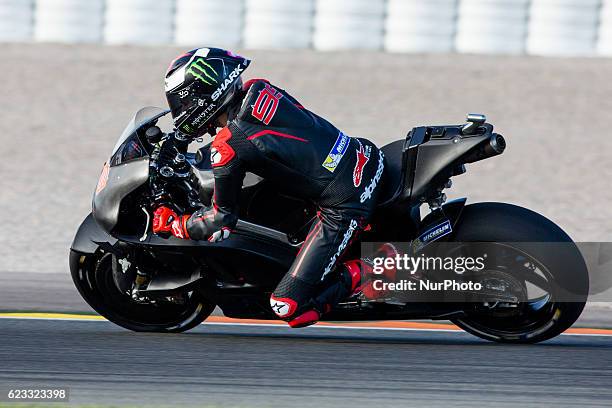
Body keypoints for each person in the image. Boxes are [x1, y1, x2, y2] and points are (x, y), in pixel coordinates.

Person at [152, 47, 385, 328]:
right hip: (363, 154)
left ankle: (377, 267)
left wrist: (178, 224)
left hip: (345, 200)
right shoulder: (259, 88)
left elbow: (222, 219)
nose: (183, 112)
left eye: (184, 104)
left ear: (204, 97)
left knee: (288, 307)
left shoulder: (226, 148)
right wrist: (174, 142)